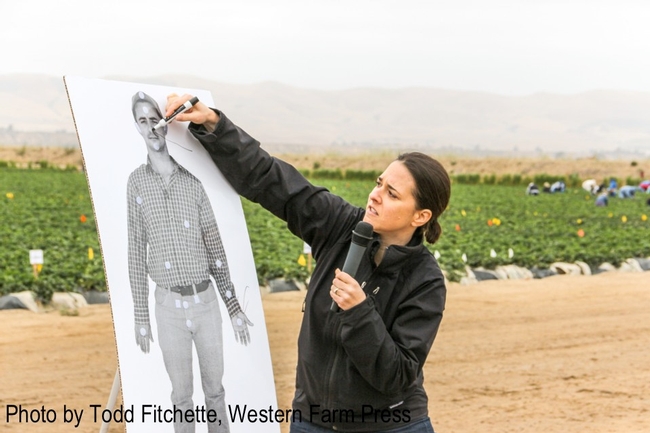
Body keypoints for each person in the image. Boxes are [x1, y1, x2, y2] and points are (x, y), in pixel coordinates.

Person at [165, 93, 451, 433]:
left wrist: (360, 312)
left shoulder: (425, 280)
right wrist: (214, 125)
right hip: (313, 421)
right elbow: (274, 181)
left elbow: (397, 376)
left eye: (392, 194)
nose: (375, 195)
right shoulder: (339, 225)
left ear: (421, 216)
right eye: (379, 183)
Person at [127, 91, 253, 433]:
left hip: (206, 304)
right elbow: (136, 253)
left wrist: (233, 307)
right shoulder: (136, 183)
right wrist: (141, 316)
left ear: (166, 125)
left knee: (215, 392)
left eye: (156, 120)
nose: (151, 128)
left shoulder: (194, 183)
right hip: (167, 307)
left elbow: (216, 250)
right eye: (143, 121)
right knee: (181, 397)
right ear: (136, 127)